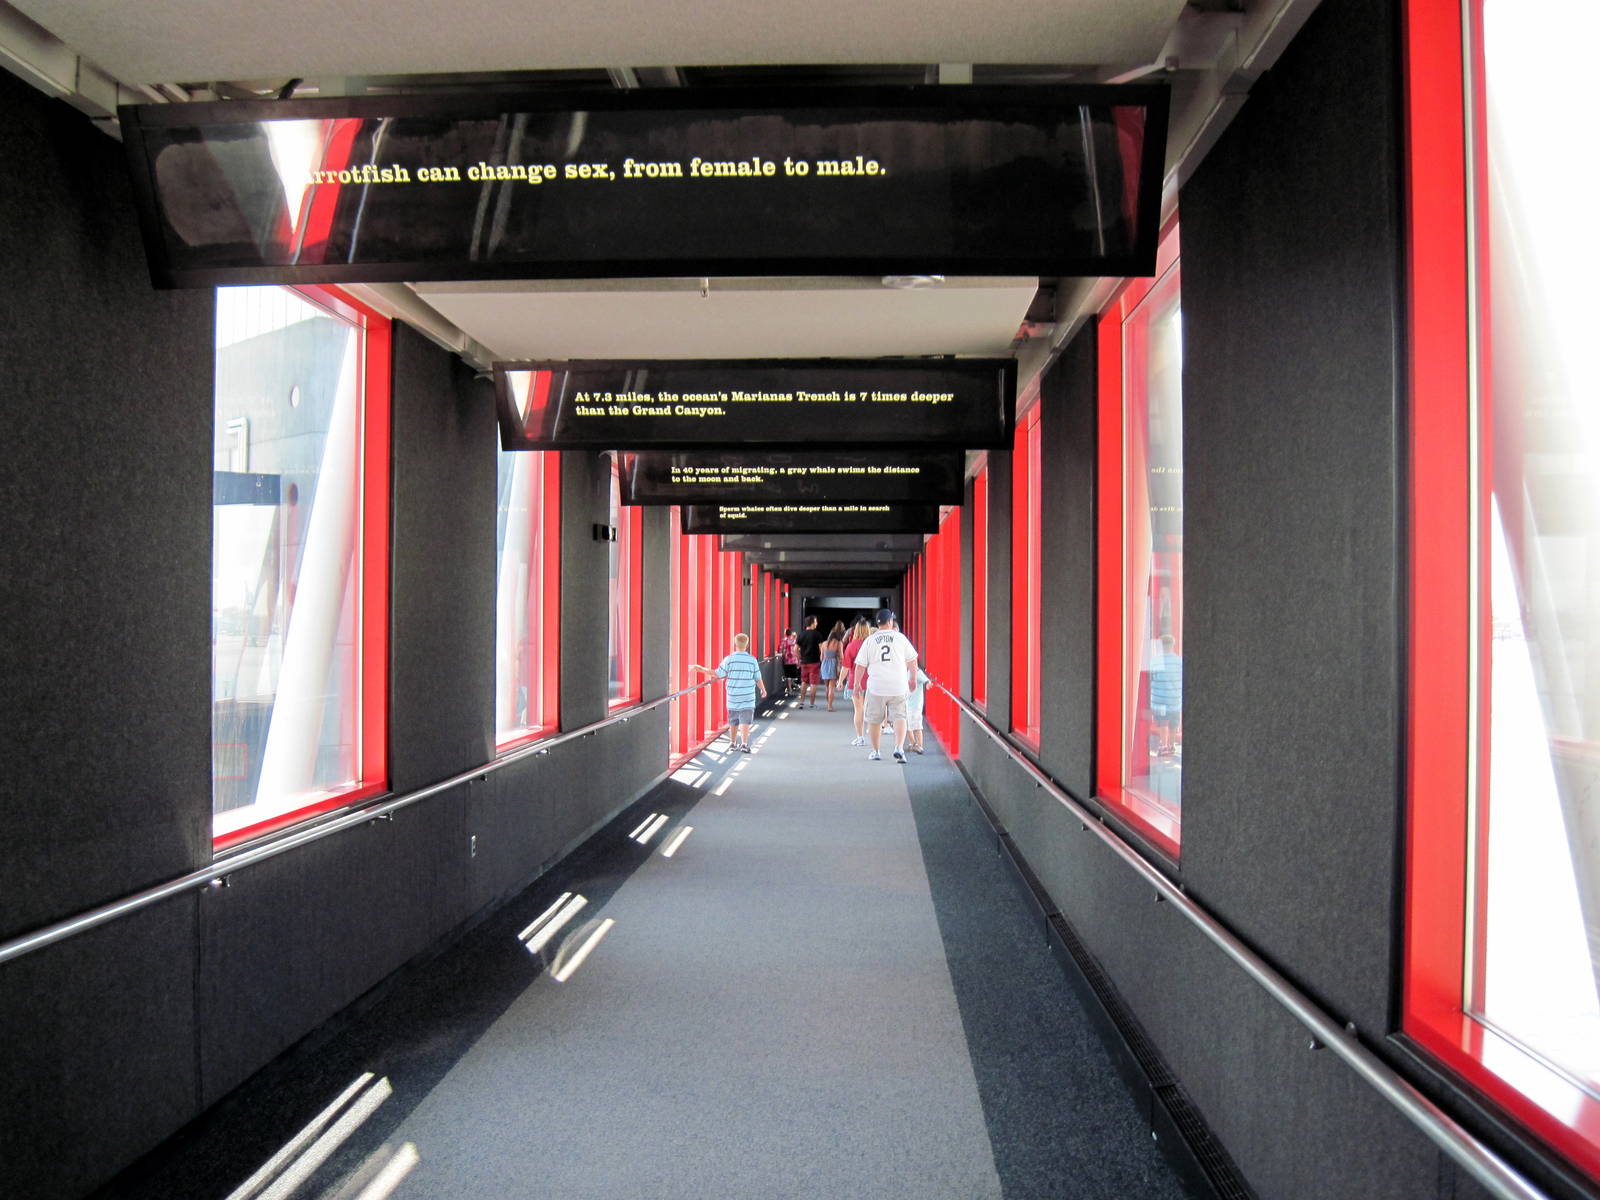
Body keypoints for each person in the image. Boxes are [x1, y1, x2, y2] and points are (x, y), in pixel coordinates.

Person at [690, 632, 767, 753]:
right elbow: (758, 678)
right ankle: (744, 744)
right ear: (746, 646)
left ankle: (732, 743)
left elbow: (716, 673)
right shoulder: (752, 660)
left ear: (735, 645)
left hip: (733, 696)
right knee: (745, 720)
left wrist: (700, 669)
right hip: (747, 696)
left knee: (733, 720)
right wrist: (763, 689)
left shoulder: (729, 659)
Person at [859, 608, 918, 763]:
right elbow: (912, 660)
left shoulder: (870, 640)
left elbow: (860, 665)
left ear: (878, 624)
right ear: (890, 622)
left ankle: (876, 751)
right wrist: (912, 679)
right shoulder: (900, 638)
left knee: (874, 720)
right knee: (900, 717)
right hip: (898, 685)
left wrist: (857, 683)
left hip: (876, 687)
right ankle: (898, 748)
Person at [1149, 634, 1183, 756]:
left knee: (1162, 723)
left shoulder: (1155, 661)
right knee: (1173, 724)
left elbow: (1150, 678)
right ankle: (1172, 745)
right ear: (1173, 645)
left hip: (1159, 700)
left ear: (1161, 646)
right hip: (1175, 700)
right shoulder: (1179, 661)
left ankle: (1163, 746)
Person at [841, 617, 872, 745]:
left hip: (856, 682)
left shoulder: (852, 646)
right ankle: (874, 735)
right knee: (871, 709)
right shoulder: (872, 644)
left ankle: (860, 737)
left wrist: (840, 681)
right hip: (872, 681)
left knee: (858, 710)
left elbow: (846, 666)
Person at [796, 614, 823, 708]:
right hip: (814, 662)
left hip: (804, 662)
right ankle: (811, 703)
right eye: (815, 621)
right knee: (813, 683)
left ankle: (802, 702)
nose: (817, 623)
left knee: (803, 682)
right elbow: (821, 649)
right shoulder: (817, 634)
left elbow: (795, 649)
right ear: (812, 623)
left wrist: (799, 658)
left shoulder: (801, 634)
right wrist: (821, 658)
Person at [819, 620, 845, 711]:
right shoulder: (839, 643)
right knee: (832, 687)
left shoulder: (824, 643)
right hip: (833, 664)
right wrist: (840, 666)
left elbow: (821, 657)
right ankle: (830, 706)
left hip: (824, 664)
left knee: (827, 687)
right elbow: (842, 657)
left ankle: (828, 704)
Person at [904, 664, 930, 754]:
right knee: (908, 725)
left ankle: (919, 745)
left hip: (915, 705)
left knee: (917, 726)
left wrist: (928, 684)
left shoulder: (917, 672)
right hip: (908, 703)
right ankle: (913, 744)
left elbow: (926, 680)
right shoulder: (906, 672)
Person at [780, 628, 800, 697]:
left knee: (787, 675)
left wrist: (783, 656)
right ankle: (792, 685)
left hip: (787, 660)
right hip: (794, 660)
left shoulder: (783, 640)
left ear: (786, 633)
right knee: (793, 675)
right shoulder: (794, 641)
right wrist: (798, 660)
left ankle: (790, 689)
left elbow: (781, 650)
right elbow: (797, 651)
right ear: (791, 633)